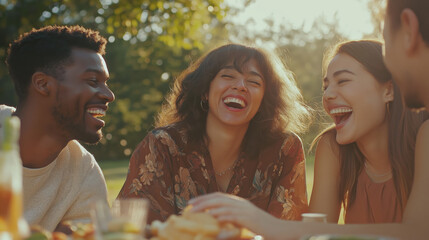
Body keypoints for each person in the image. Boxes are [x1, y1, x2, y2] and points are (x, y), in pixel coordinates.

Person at [188, 39, 429, 239]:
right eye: (326, 86)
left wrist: (265, 223)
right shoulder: (333, 146)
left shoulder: (425, 134)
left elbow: (419, 232)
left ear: (389, 90)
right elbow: (317, 235)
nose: (329, 95)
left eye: (343, 80)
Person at [118, 43, 311, 223]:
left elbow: (288, 230)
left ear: (264, 101)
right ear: (204, 90)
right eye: (227, 76)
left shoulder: (284, 149)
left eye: (254, 82)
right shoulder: (162, 144)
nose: (240, 86)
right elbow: (133, 227)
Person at [0, 25, 115, 232]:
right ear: (43, 84)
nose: (109, 95)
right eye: (93, 81)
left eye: (105, 83)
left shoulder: (84, 171)